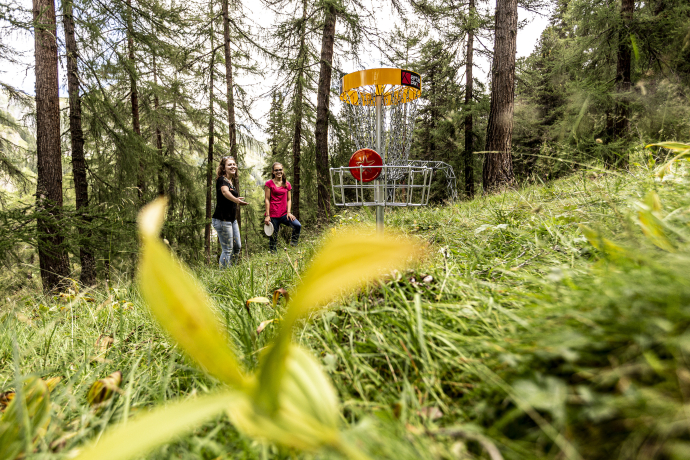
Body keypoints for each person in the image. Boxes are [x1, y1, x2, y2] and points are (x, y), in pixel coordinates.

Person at [212, 156, 248, 267]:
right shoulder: (222, 180)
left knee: (237, 247)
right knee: (227, 249)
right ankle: (223, 276)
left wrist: (236, 199)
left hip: (232, 220)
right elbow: (224, 192)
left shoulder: (230, 181)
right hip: (222, 220)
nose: (233, 166)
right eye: (229, 164)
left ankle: (231, 271)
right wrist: (236, 200)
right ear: (224, 168)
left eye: (234, 164)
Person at [264, 162, 301, 252]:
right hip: (273, 215)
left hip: (284, 214)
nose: (278, 172)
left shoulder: (287, 184)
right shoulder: (269, 184)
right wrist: (267, 215)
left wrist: (288, 212)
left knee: (297, 226)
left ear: (282, 170)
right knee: (273, 238)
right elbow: (267, 199)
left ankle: (293, 245)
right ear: (273, 172)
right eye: (276, 170)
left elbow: (289, 200)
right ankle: (274, 256)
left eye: (280, 170)